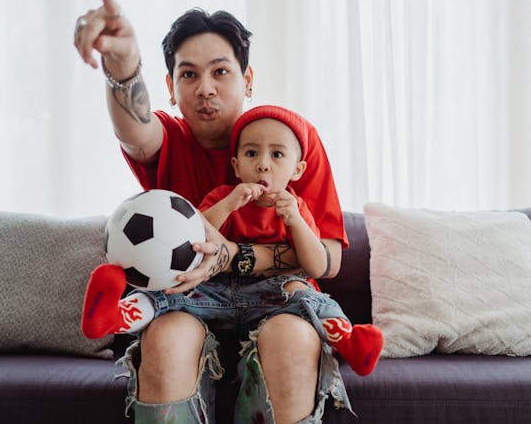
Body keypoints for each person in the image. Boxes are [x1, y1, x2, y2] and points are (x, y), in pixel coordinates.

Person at [74, 0, 351, 423]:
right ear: (170, 86)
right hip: (187, 301)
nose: (205, 89)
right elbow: (135, 129)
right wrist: (123, 67)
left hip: (277, 302)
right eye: (188, 75)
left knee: (295, 341)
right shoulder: (170, 139)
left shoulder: (290, 142)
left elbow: (330, 257)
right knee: (164, 340)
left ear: (248, 79)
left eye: (220, 72)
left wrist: (233, 257)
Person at [83, 105, 384, 377]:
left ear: (297, 169)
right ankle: (115, 316)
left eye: (277, 155)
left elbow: (317, 266)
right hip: (214, 291)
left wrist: (295, 221)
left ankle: (348, 340)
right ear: (237, 165)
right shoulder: (222, 196)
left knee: (307, 295)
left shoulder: (296, 207)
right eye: (252, 154)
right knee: (168, 293)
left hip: (271, 298)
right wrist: (227, 204)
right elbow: (193, 239)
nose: (263, 164)